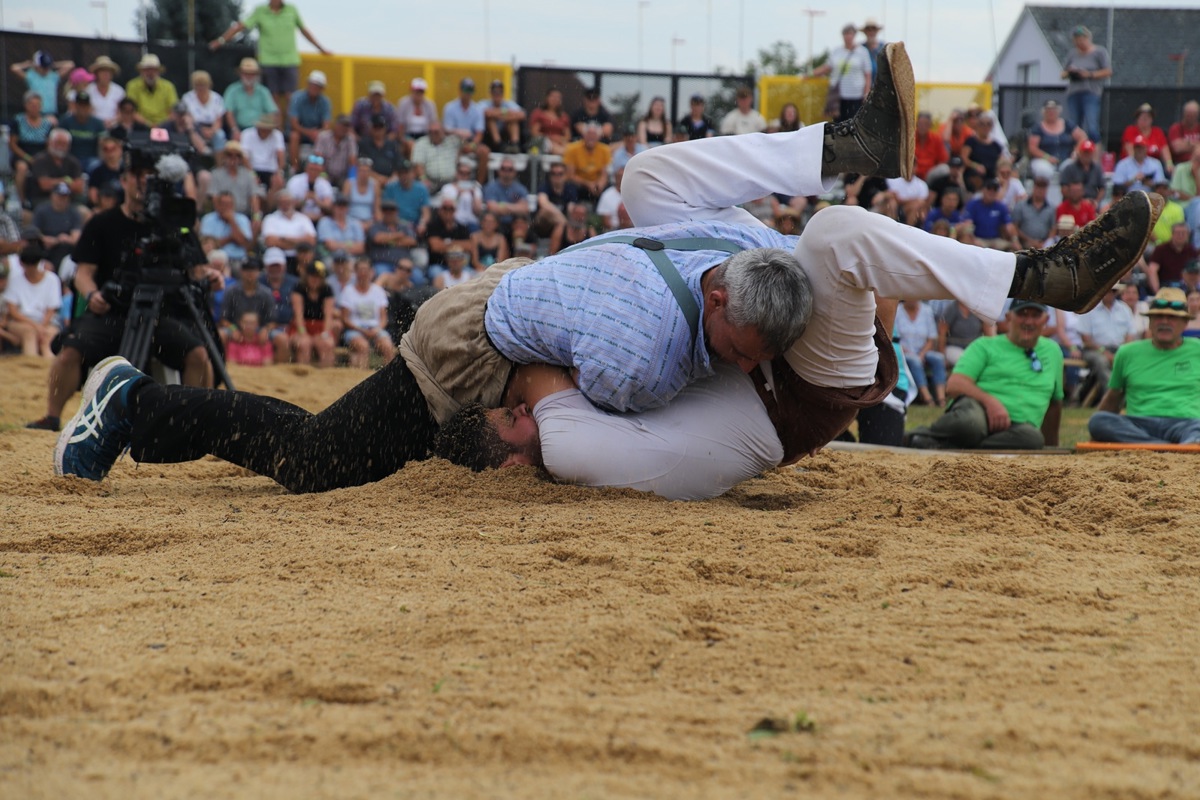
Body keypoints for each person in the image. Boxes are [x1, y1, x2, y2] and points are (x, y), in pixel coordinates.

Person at [52, 44, 1159, 495]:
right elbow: (557, 391)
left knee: (805, 229)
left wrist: (543, 401)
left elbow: (572, 387)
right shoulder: (672, 317)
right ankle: (141, 403)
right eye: (733, 342)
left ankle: (1013, 261)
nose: (735, 348)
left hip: (759, 384)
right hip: (494, 333)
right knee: (334, 458)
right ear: (725, 301)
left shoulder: (751, 269)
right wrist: (529, 406)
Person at [26, 139, 214, 432]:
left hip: (161, 313)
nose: (144, 184)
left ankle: (195, 425)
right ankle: (51, 416)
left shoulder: (172, 222)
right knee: (70, 351)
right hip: (112, 310)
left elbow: (196, 269)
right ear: (124, 180)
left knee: (199, 355)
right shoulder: (102, 223)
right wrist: (92, 294)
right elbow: (83, 273)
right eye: (138, 177)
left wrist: (209, 275)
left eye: (150, 178)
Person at [906, 301, 1064, 450]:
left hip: (1018, 427)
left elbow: (1055, 403)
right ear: (1009, 317)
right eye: (1022, 314)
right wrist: (990, 403)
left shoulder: (1053, 351)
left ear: (1046, 320)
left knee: (1032, 439)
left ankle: (952, 446)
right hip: (978, 410)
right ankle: (917, 437)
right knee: (971, 424)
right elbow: (955, 384)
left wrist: (1053, 448)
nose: (1029, 322)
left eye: (1035, 315)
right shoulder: (985, 345)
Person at [1088, 287, 1200, 445]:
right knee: (1099, 421)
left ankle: (1151, 446)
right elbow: (1113, 397)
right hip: (1139, 424)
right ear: (1150, 322)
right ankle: (1175, 448)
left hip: (1186, 423)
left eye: (1172, 317)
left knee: (1197, 428)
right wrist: (1094, 436)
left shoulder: (1197, 350)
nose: (1165, 322)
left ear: (1185, 323)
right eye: (1158, 317)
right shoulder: (1127, 352)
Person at [210, 0, 331, 115]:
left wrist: (321, 48)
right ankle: (276, 129)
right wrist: (221, 41)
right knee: (274, 97)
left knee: (291, 97)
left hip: (290, 60)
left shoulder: (292, 10)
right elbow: (240, 27)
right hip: (269, 61)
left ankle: (290, 128)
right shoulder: (260, 11)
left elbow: (304, 30)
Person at [3, 243, 62, 357]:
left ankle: (49, 371)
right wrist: (36, 326)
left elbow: (51, 310)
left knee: (47, 339)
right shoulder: (15, 280)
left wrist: (41, 327)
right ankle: (31, 367)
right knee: (29, 333)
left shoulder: (52, 279)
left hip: (47, 322)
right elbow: (13, 311)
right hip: (21, 322)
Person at [338, 256, 394, 368]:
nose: (363, 273)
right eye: (360, 270)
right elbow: (345, 319)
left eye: (366, 270)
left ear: (371, 272)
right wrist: (362, 330)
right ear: (355, 272)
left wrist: (376, 329)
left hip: (374, 329)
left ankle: (389, 377)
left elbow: (383, 318)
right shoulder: (348, 291)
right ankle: (362, 376)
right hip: (355, 329)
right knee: (362, 346)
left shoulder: (378, 291)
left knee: (388, 346)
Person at [1061, 25, 1110, 145]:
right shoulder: (1072, 54)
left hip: (1091, 93)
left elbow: (1108, 71)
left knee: (1092, 126)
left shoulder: (1099, 52)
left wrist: (1089, 74)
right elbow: (1062, 74)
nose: (1079, 42)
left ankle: (1095, 154)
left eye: (1082, 38)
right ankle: (1075, 153)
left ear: (1088, 38)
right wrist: (1071, 72)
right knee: (1074, 126)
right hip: (1074, 93)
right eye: (1076, 39)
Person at [813, 24, 872, 121]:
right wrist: (812, 74)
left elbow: (867, 74)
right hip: (839, 95)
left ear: (854, 36)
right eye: (846, 34)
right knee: (838, 123)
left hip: (856, 95)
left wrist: (866, 92)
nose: (848, 37)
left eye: (850, 34)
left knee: (853, 122)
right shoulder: (837, 51)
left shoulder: (862, 52)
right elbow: (828, 67)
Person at [290, 259, 337, 367]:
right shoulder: (299, 288)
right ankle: (303, 374)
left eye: (319, 277)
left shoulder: (327, 289)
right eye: (313, 276)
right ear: (307, 276)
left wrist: (325, 334)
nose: (316, 280)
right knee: (304, 344)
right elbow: (298, 314)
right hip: (301, 325)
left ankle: (326, 377)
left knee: (327, 344)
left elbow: (328, 315)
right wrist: (302, 333)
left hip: (320, 327)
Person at [1027, 99, 1085, 181]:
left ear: (1058, 111)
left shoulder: (1068, 124)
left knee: (1072, 168)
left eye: (1054, 110)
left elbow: (1082, 137)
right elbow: (1032, 148)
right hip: (1044, 161)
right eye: (1048, 110)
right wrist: (1047, 157)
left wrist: (1076, 151)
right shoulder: (1037, 128)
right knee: (1043, 171)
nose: (1051, 112)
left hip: (1066, 159)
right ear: (1043, 112)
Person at [286, 70, 331, 171]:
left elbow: (326, 125)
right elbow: (294, 123)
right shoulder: (296, 97)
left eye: (317, 86)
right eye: (312, 85)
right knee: (294, 136)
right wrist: (310, 132)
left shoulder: (325, 102)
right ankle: (295, 168)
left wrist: (318, 133)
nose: (314, 88)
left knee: (325, 137)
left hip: (315, 134)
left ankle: (319, 169)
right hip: (300, 132)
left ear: (322, 88)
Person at [223, 58, 278, 141]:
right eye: (246, 73)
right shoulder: (232, 90)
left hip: (260, 129)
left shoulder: (263, 91)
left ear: (256, 75)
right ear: (240, 74)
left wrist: (266, 128)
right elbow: (229, 113)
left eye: (252, 74)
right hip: (240, 129)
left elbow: (272, 112)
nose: (248, 76)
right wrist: (235, 130)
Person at [10, 50, 74, 116]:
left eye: (47, 67)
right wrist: (28, 64)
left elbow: (70, 65)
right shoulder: (31, 77)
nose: (46, 69)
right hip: (37, 113)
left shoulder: (53, 76)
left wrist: (53, 64)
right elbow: (14, 68)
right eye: (43, 67)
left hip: (52, 113)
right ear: (37, 66)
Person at [125, 54, 178, 127]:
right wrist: (149, 124)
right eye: (147, 70)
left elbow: (173, 111)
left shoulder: (168, 87)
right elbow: (130, 111)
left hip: (165, 125)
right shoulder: (132, 86)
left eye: (153, 70)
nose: (150, 73)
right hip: (140, 125)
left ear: (158, 71)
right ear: (141, 71)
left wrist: (161, 125)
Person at [181, 71, 227, 154]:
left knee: (220, 136)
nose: (201, 88)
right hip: (195, 127)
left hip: (213, 127)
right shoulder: (187, 98)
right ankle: (201, 156)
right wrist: (200, 129)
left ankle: (219, 164)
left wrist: (212, 131)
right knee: (190, 133)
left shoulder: (217, 98)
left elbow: (219, 121)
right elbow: (187, 117)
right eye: (198, 85)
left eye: (203, 85)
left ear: (209, 85)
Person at [480, 79, 526, 154]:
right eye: (495, 92)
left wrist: (502, 116)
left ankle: (515, 145)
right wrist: (505, 113)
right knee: (491, 121)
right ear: (491, 93)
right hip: (489, 137)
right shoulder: (484, 103)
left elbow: (522, 114)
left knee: (513, 122)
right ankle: (499, 145)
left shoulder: (508, 103)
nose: (497, 94)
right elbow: (487, 113)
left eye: (500, 92)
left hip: (506, 134)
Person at [396, 78, 438, 149]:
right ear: (411, 91)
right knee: (412, 146)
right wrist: (403, 140)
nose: (418, 94)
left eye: (421, 92)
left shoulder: (430, 105)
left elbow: (433, 124)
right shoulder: (403, 103)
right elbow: (400, 125)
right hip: (408, 135)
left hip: (425, 136)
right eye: (416, 91)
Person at [528, 88, 571, 155]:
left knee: (571, 147)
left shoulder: (564, 116)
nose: (555, 99)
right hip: (542, 143)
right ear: (547, 98)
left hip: (560, 143)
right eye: (552, 96)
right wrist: (551, 138)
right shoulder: (538, 113)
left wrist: (560, 140)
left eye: (558, 97)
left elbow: (567, 135)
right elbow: (535, 133)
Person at [84, 56, 124, 125]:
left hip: (114, 126)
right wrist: (100, 123)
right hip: (93, 126)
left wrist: (112, 122)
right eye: (102, 71)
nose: (106, 74)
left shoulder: (119, 91)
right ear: (97, 73)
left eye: (109, 71)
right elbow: (87, 111)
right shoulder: (88, 90)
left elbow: (121, 113)